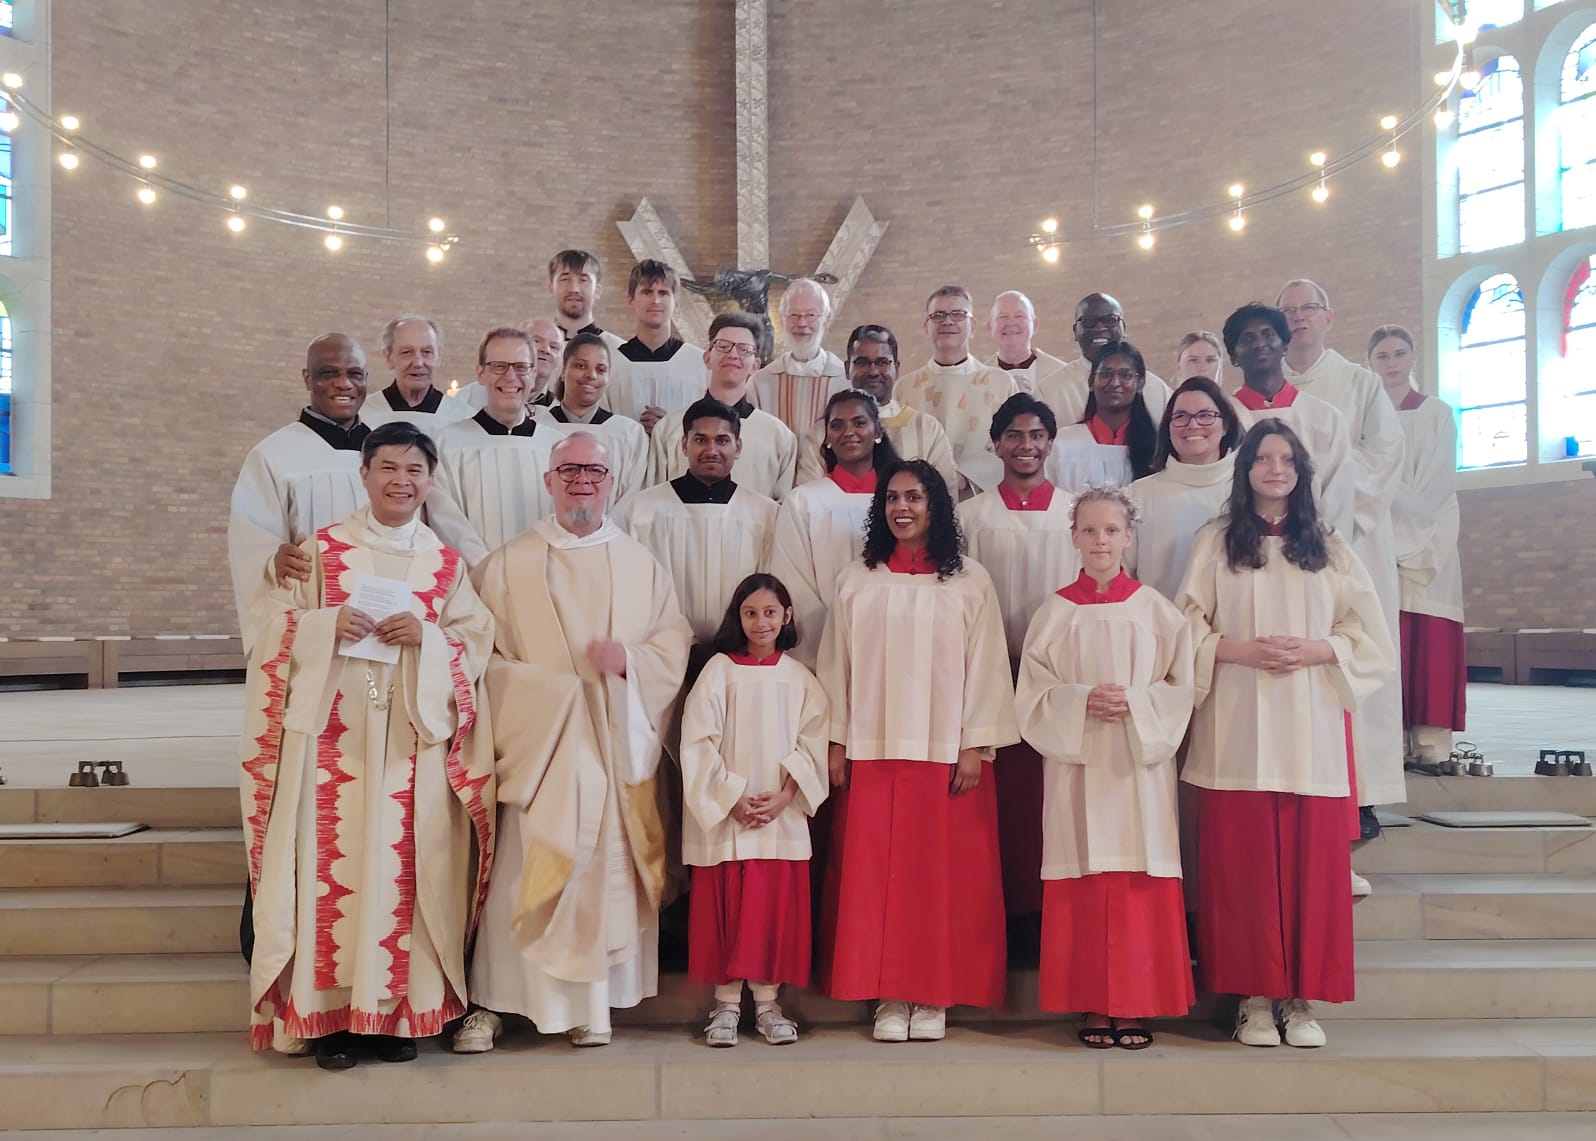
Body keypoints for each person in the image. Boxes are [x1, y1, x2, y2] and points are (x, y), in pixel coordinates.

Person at [240, 421, 496, 1070]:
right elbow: (273, 626)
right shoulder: (321, 550)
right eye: (388, 467)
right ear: (364, 473)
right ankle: (329, 1020)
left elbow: (474, 643)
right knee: (332, 874)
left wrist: (428, 638)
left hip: (411, 744)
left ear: (430, 481)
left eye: (414, 470)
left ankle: (394, 1017)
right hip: (332, 741)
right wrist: (324, 624)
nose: (400, 481)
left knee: (403, 873)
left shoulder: (446, 565)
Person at [459, 431, 692, 1053]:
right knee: (526, 870)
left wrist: (633, 663)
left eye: (594, 471)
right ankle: (499, 1002)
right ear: (549, 481)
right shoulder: (507, 564)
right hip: (540, 752)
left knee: (602, 870)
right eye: (569, 470)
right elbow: (479, 658)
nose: (582, 481)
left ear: (611, 482)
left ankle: (593, 1008)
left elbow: (672, 640)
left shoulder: (639, 563)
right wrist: (546, 698)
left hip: (616, 750)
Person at [1174, 419, 1394, 1049]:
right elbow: (1183, 628)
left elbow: (1368, 634)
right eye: (1263, 459)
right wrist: (1236, 649)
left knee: (1309, 875)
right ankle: (1251, 998)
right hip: (1237, 728)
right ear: (1244, 470)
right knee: (1241, 872)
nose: (1275, 469)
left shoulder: (1328, 545)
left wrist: (1317, 649)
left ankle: (1299, 1000)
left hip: (1309, 729)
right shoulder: (1217, 542)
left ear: (1301, 472)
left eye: (1287, 460)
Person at [817, 460, 1018, 1043]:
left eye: (914, 497)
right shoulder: (858, 579)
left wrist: (975, 743)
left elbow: (987, 664)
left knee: (940, 881)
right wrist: (836, 739)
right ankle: (887, 993)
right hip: (873, 746)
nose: (901, 508)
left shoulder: (969, 581)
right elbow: (836, 662)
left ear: (936, 505)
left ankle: (933, 994)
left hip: (946, 750)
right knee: (878, 880)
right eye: (892, 498)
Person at [1015, 486, 1196, 1049]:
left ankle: (1135, 1004)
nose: (1101, 540)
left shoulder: (1156, 610)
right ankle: (1093, 1002)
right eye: (1089, 530)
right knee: (1084, 872)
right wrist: (1079, 700)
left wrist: (1137, 702)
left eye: (1112, 530)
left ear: (1129, 537)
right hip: (1079, 764)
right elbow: (1031, 694)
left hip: (1139, 767)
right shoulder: (1054, 613)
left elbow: (1182, 687)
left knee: (1140, 874)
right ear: (1073, 536)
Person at [680, 574, 829, 1047]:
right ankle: (725, 1006)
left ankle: (767, 1004)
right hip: (730, 814)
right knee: (727, 907)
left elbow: (813, 743)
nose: (760, 622)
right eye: (750, 613)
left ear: (787, 615)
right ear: (737, 617)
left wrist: (786, 796)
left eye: (769, 612)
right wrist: (731, 797)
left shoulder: (800, 679)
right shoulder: (719, 672)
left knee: (771, 913)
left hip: (780, 815)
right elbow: (696, 742)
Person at [1278, 278, 1406, 828]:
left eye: (1309, 307)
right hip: (1282, 546)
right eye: (1289, 310)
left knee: (1354, 648)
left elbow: (1385, 455)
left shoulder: (1360, 382)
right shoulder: (1266, 385)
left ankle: (1366, 793)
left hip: (1351, 541)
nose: (1299, 317)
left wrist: (1331, 512)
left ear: (1328, 317)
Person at [957, 393, 1079, 943]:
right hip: (991, 674)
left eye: (1036, 435)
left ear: (1050, 443)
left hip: (1059, 678)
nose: (1025, 445)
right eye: (1014, 435)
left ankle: (1051, 914)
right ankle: (1001, 914)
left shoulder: (1075, 515)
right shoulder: (971, 517)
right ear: (996, 444)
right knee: (1002, 801)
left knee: (1051, 798)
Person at [229, 334, 373, 644]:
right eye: (329, 373)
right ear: (307, 377)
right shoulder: (273, 455)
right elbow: (249, 541)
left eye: (355, 374)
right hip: (311, 617)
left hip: (381, 617)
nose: (344, 384)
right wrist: (273, 559)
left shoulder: (391, 454)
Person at [1369, 324, 1466, 771]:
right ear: (1371, 364)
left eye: (1399, 354)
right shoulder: (1364, 419)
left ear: (1412, 358)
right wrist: (1383, 525)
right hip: (1377, 534)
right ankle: (1388, 743)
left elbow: (1438, 479)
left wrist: (1405, 528)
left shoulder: (1436, 413)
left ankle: (1431, 743)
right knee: (1386, 635)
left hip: (1431, 535)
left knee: (1429, 635)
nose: (1391, 363)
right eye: (1382, 356)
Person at [614, 398, 779, 645]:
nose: (711, 450)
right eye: (701, 440)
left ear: (738, 447)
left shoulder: (764, 513)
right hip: (664, 649)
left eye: (722, 440)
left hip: (740, 649)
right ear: (684, 445)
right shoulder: (644, 510)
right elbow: (632, 588)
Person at [769, 389, 901, 672]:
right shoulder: (804, 502)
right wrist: (833, 642)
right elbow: (794, 583)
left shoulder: (900, 500)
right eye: (837, 425)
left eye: (859, 422)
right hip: (824, 650)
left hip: (894, 645)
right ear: (827, 437)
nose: (848, 432)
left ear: (878, 431)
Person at [426, 328, 556, 574]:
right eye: (499, 367)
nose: (510, 377)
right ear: (481, 373)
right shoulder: (446, 444)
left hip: (543, 579)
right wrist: (490, 574)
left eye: (521, 367)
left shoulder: (556, 447)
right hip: (474, 582)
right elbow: (446, 521)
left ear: (534, 373)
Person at [647, 313, 798, 501]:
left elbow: (782, 507)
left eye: (744, 349)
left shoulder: (778, 437)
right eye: (723, 346)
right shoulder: (669, 428)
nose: (733, 355)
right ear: (707, 357)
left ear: (755, 365)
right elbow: (653, 500)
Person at [794, 324, 957, 491]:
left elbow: (945, 494)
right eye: (862, 362)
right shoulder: (823, 431)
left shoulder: (927, 428)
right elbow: (807, 495)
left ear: (897, 368)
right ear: (847, 368)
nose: (873, 371)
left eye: (882, 362)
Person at [894, 285, 1017, 497]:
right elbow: (894, 445)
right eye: (938, 315)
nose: (948, 321)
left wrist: (963, 476)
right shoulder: (904, 388)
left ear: (973, 326)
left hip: (979, 498)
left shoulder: (1000, 383)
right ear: (926, 327)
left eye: (958, 314)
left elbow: (1012, 444)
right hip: (918, 499)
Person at [1128, 376, 1244, 602]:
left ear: (1226, 424)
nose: (1193, 425)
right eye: (1181, 416)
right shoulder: (1137, 495)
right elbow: (1121, 574)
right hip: (1159, 620)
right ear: (1168, 427)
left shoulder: (1247, 490)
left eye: (1205, 415)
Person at [533, 333, 651, 502]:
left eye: (601, 369)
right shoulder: (535, 429)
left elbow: (633, 498)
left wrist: (602, 521)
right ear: (563, 370)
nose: (591, 375)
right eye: (581, 366)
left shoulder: (629, 434)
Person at [606, 260, 709, 432]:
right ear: (631, 299)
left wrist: (669, 428)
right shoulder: (611, 364)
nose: (655, 300)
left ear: (676, 300)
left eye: (663, 293)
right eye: (647, 292)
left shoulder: (699, 364)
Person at [1038, 294, 1171, 427]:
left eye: (1110, 320)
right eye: (1088, 321)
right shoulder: (1048, 391)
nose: (1099, 328)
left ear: (1123, 328)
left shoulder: (1157, 389)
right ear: (1075, 331)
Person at [1046, 340, 1158, 492]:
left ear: (1140, 383)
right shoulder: (1062, 443)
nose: (1115, 382)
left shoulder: (1156, 446)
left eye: (1125, 375)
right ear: (1091, 382)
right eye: (1106, 374)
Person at [749, 277, 848, 434]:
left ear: (826, 319)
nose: (802, 323)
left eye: (811, 315)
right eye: (793, 315)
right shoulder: (761, 383)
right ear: (781, 319)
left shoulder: (844, 380)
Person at [364, 316, 471, 434]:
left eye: (427, 352)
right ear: (389, 357)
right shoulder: (363, 414)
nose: (418, 363)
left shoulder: (463, 418)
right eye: (407, 352)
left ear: (438, 357)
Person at [984, 290, 1070, 396]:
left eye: (1019, 316)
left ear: (1035, 324)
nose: (1011, 322)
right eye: (1003, 317)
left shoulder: (1063, 374)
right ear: (990, 327)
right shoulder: (976, 378)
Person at [547, 249, 625, 351]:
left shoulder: (619, 351)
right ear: (551, 288)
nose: (574, 289)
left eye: (583, 280)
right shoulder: (531, 349)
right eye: (565, 279)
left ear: (597, 291)